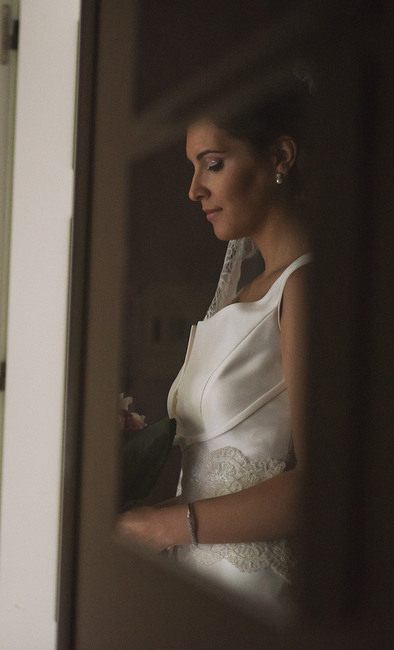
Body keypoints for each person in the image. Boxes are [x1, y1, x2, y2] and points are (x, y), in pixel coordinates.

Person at [117, 78, 313, 602]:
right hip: (198, 574)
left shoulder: (305, 290)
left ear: (280, 158)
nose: (194, 189)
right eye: (193, 167)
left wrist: (164, 527)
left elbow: (319, 488)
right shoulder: (246, 293)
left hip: (252, 587)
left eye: (213, 163)